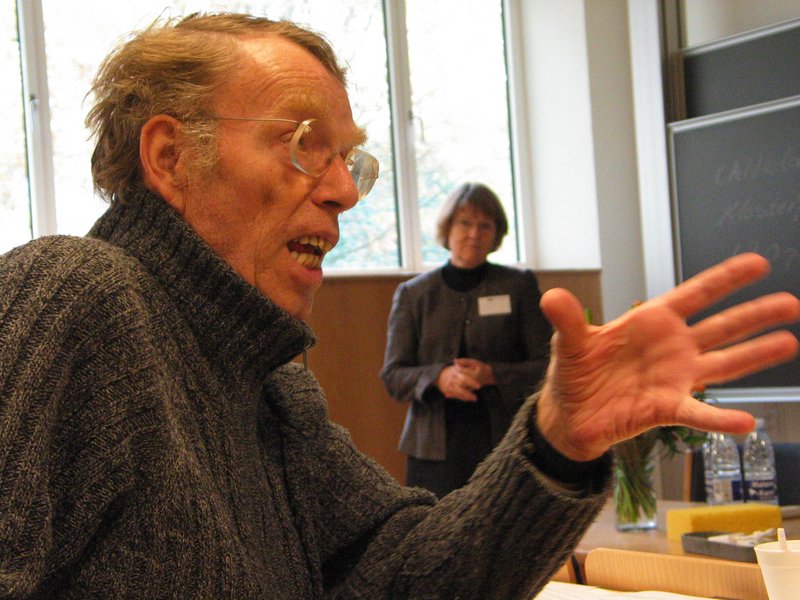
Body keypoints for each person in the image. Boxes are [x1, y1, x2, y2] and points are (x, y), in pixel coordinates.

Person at [0, 12, 797, 600]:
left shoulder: (272, 385)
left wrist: (558, 440)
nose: (344, 191)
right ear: (171, 156)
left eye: (349, 159)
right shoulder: (74, 294)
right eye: (304, 143)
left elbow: (401, 575)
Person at [380, 182, 553, 497]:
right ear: (447, 228)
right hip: (433, 452)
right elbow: (394, 376)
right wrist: (439, 377)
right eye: (465, 223)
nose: (474, 234)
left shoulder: (519, 286)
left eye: (485, 225)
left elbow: (547, 366)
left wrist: (493, 374)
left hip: (507, 444)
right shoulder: (414, 294)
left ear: (496, 233)